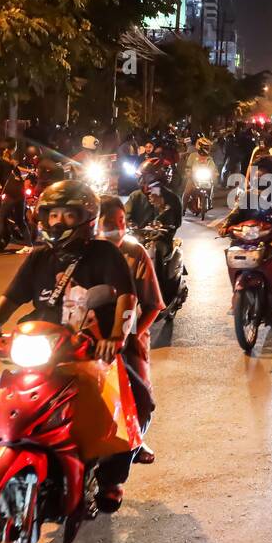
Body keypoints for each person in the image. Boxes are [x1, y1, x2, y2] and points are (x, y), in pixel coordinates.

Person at [0, 180, 137, 511]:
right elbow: (10, 297)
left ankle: (111, 480)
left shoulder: (104, 254)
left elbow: (125, 297)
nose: (58, 222)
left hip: (89, 345)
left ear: (85, 218)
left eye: (68, 216)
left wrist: (115, 337)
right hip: (42, 343)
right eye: (53, 215)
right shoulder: (40, 256)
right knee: (4, 394)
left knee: (115, 409)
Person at [96, 195, 162, 483]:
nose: (117, 229)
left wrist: (133, 335)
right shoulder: (83, 253)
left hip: (126, 337)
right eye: (110, 223)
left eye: (121, 223)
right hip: (86, 337)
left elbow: (153, 305)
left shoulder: (135, 253)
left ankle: (133, 442)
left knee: (140, 399)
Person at [218, 154, 272, 306]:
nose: (260, 175)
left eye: (264, 171)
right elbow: (236, 213)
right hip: (252, 235)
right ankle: (236, 292)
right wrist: (225, 225)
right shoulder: (248, 195)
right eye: (258, 171)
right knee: (233, 249)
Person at [0, 141, 30, 256]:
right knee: (20, 220)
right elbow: (11, 179)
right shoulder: (13, 163)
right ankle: (29, 245)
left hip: (11, 194)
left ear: (3, 150)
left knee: (1, 218)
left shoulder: (1, 161)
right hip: (20, 193)